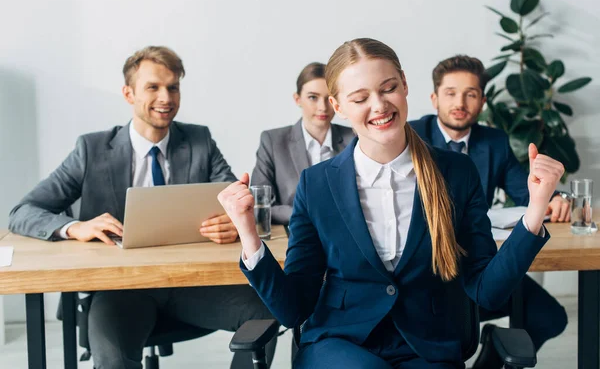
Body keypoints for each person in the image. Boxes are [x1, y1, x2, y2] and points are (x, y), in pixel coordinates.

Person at [217, 38, 564, 369]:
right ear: (338, 106)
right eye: (360, 97)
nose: (380, 105)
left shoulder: (457, 173)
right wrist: (249, 235)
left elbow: (487, 291)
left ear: (405, 85)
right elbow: (294, 309)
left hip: (427, 345)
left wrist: (535, 211)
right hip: (340, 342)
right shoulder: (318, 183)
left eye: (388, 88)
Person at [8, 46, 275, 369]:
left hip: (191, 283)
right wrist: (74, 226)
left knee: (267, 312)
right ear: (128, 93)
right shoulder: (91, 149)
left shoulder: (200, 141)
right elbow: (24, 210)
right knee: (113, 358)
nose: (166, 97)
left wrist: (234, 220)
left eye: (173, 87)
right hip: (120, 287)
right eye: (153, 87)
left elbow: (235, 198)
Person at [409, 55, 568, 365]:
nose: (460, 102)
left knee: (549, 317)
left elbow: (525, 189)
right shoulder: (410, 137)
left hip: (480, 267)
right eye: (451, 93)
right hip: (427, 273)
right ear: (434, 98)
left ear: (482, 101)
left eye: (470, 94)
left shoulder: (494, 141)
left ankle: (492, 358)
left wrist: (553, 195)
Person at [251, 62, 354, 224]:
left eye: (329, 99)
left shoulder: (354, 138)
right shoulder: (273, 141)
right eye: (313, 97)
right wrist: (307, 216)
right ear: (297, 99)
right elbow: (259, 203)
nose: (322, 107)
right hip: (293, 231)